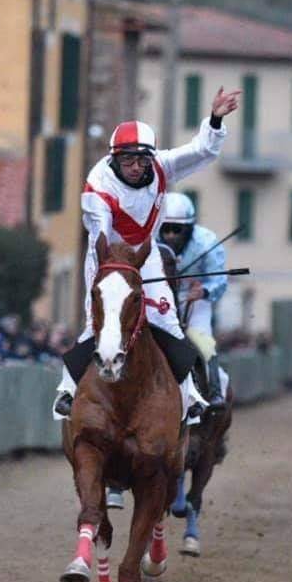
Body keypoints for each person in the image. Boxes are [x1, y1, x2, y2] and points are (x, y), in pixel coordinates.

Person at [53, 86, 240, 422]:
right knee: (99, 322)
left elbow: (202, 151)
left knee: (167, 319)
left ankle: (191, 396)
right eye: (127, 160)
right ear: (114, 159)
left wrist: (214, 119)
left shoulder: (162, 166)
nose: (136, 167)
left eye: (141, 159)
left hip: (146, 252)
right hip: (107, 258)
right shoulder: (98, 186)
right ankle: (66, 392)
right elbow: (100, 236)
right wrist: (113, 279)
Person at [157, 192, 228, 409]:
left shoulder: (207, 242)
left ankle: (215, 393)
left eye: (176, 230)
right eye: (165, 228)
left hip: (195, 299)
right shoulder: (149, 240)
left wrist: (205, 291)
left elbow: (219, 279)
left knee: (202, 340)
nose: (169, 235)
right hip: (160, 298)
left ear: (188, 229)